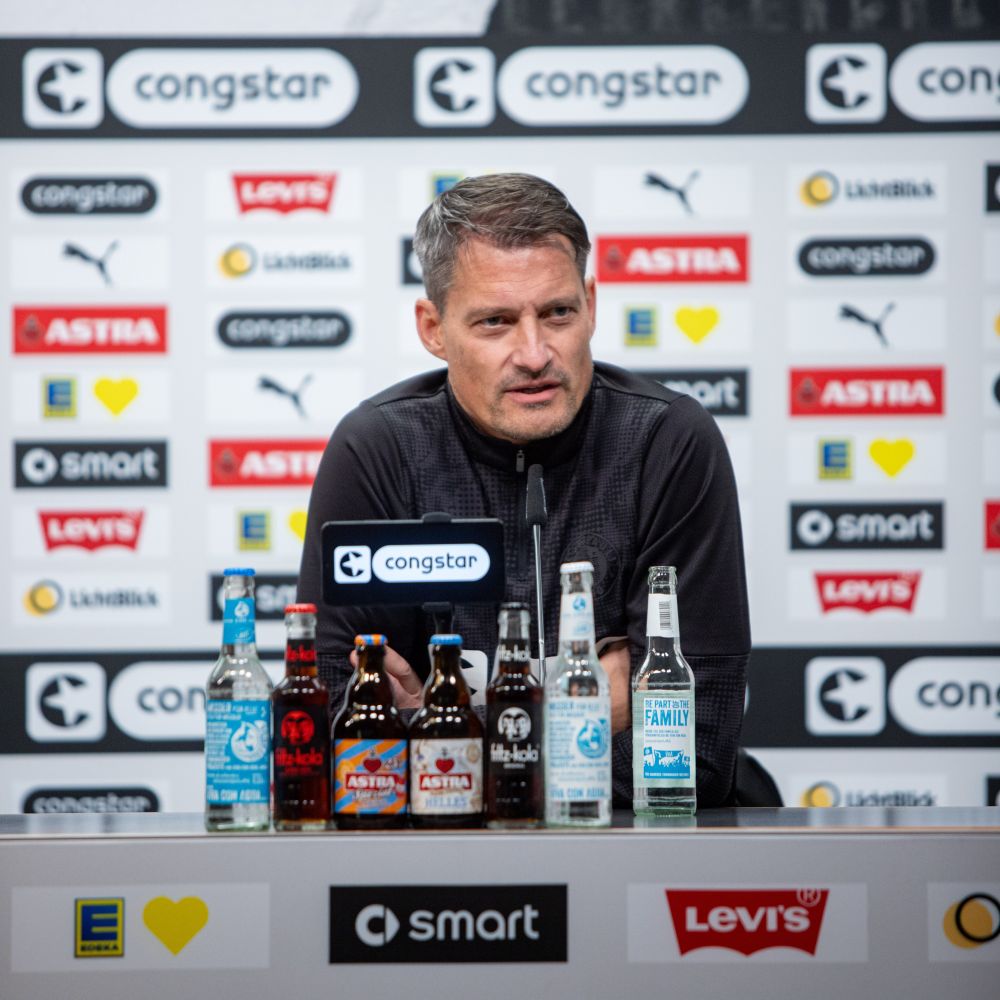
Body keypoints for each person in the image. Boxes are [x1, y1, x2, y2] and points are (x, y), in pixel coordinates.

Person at [297, 173, 750, 807]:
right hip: (435, 868)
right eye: (496, 321)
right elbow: (324, 744)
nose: (535, 353)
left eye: (558, 313)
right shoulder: (378, 451)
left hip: (632, 865)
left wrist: (442, 733)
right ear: (433, 328)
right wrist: (585, 713)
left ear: (591, 305)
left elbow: (694, 751)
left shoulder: (668, 442)